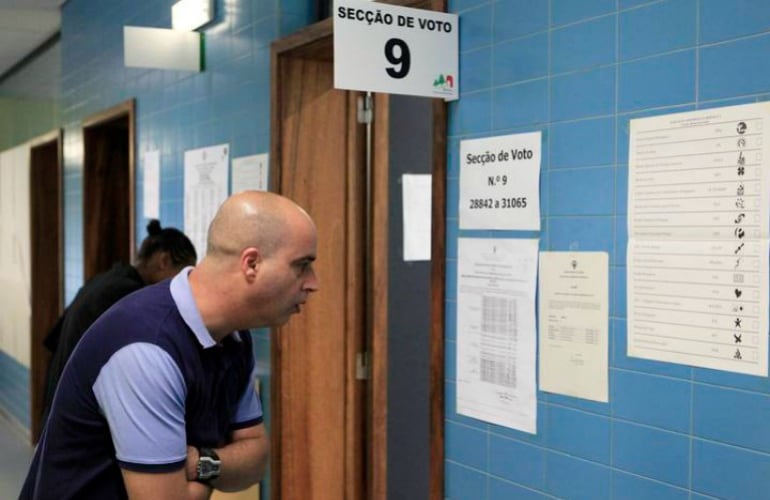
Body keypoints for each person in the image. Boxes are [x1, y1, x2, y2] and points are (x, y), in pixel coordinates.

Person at [20, 191, 320, 500]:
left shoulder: (234, 337)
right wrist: (219, 463)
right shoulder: (145, 348)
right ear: (252, 264)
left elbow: (256, 459)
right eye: (302, 265)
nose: (313, 283)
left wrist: (197, 463)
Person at [41, 219, 198, 423]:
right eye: (184, 275)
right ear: (164, 261)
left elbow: (54, 339)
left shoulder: (106, 280)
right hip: (76, 413)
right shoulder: (127, 294)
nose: (184, 286)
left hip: (58, 400)